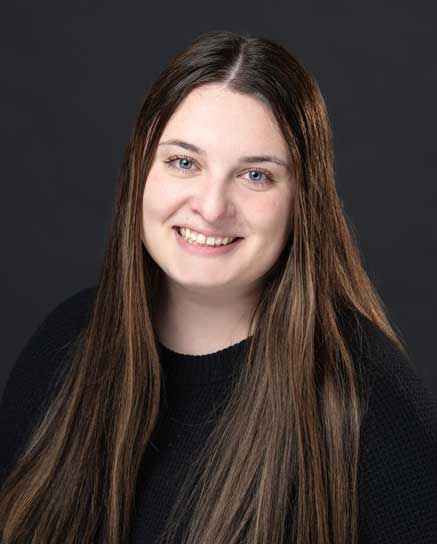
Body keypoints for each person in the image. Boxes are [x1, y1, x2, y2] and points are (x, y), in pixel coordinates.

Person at [0, 30, 436, 544]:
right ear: (141, 169)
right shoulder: (65, 344)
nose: (211, 207)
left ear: (303, 201)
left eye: (255, 175)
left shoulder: (364, 393)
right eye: (184, 162)